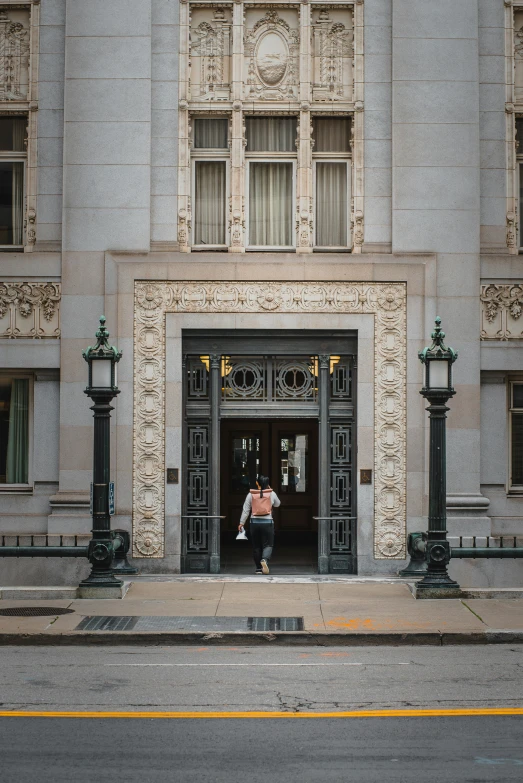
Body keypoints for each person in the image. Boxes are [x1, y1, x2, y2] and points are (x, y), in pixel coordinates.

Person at [238, 475, 280, 575]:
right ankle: (264, 560)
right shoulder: (271, 493)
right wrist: (270, 491)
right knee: (268, 544)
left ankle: (258, 569)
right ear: (267, 483)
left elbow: (246, 510)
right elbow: (278, 504)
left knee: (256, 546)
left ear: (257, 483)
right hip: (268, 523)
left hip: (254, 523)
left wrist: (241, 523)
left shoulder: (251, 494)